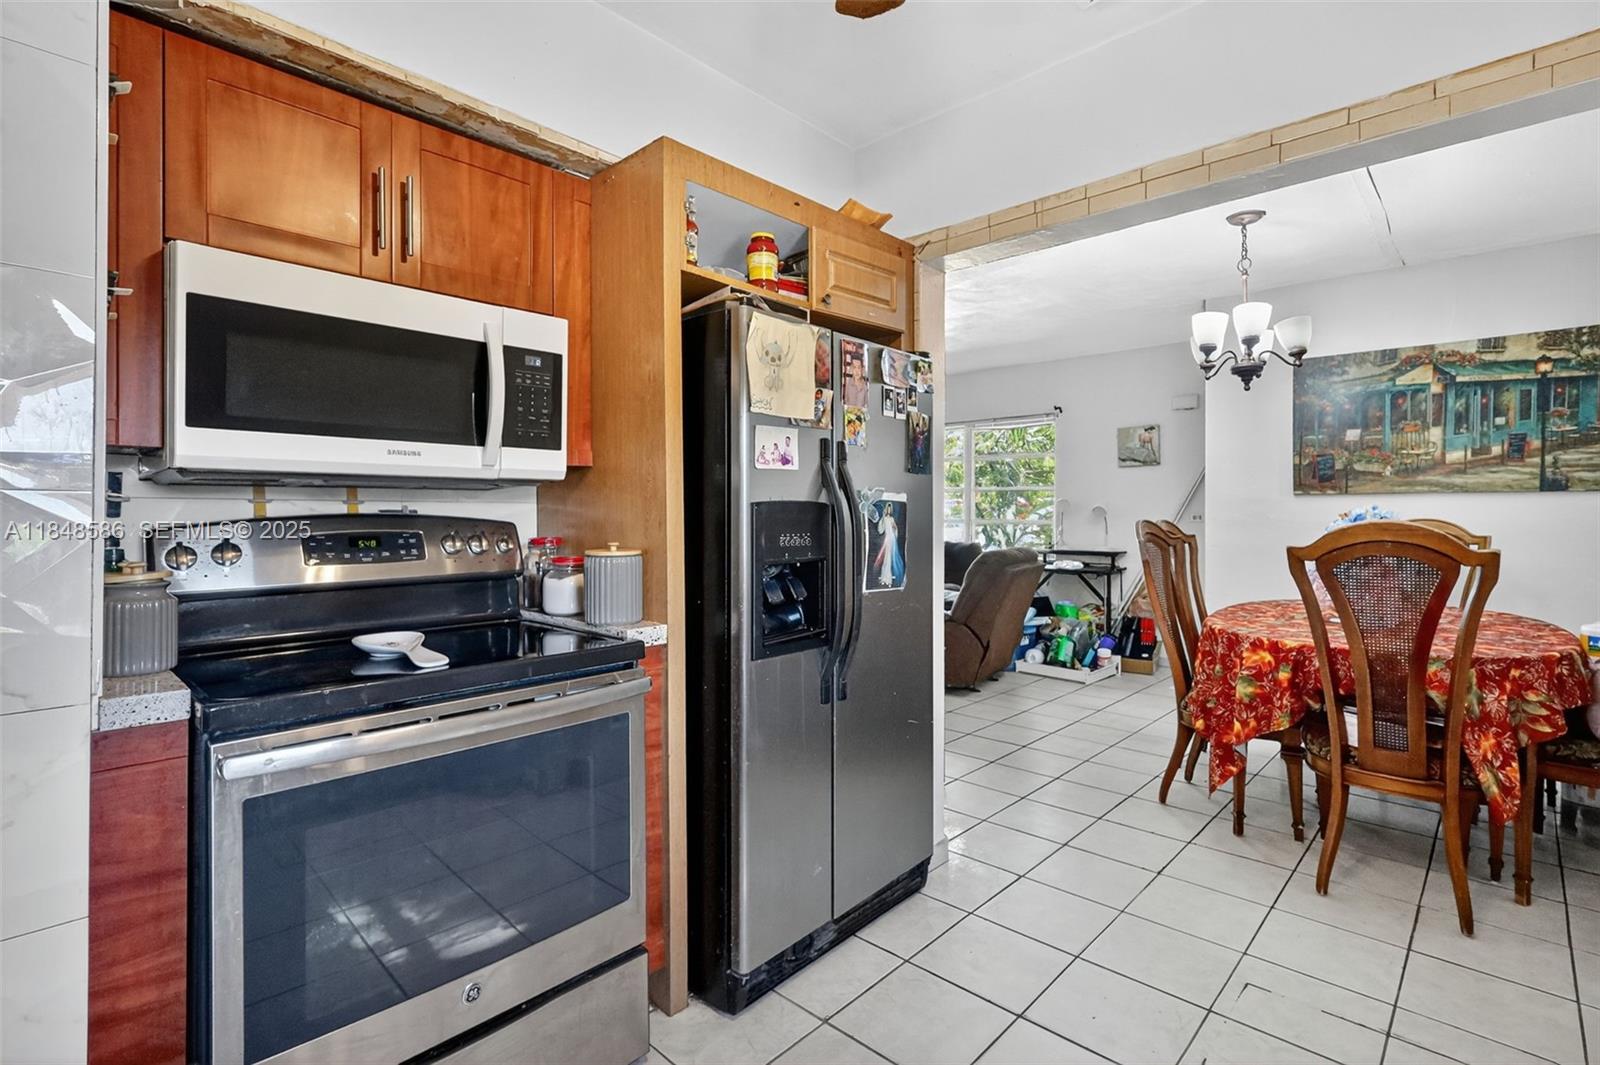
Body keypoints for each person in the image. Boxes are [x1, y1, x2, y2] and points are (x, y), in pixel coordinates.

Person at [874, 503, 905, 588]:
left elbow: (895, 529)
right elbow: (881, 529)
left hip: (891, 540)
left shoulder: (891, 519)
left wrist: (894, 528)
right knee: (886, 560)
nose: (888, 510)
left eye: (889, 509)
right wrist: (883, 518)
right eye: (887, 508)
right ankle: (884, 578)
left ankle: (888, 579)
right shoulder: (884, 519)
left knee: (889, 559)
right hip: (886, 539)